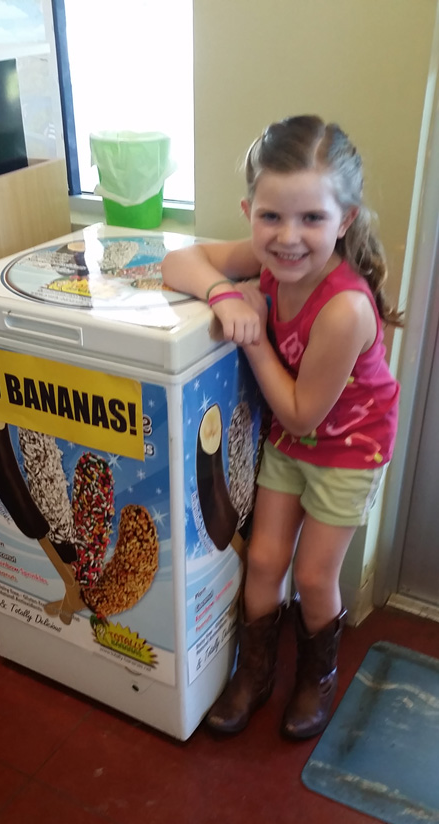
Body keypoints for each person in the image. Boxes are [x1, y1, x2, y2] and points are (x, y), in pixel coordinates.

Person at [161, 114, 401, 740]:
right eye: (271, 216)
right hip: (292, 439)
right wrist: (224, 293)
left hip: (349, 448)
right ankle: (255, 672)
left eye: (312, 218)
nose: (288, 237)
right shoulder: (269, 262)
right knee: (265, 559)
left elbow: (299, 411)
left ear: (344, 220)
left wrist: (254, 337)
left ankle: (317, 676)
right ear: (249, 212)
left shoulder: (345, 308)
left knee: (315, 576)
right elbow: (178, 261)